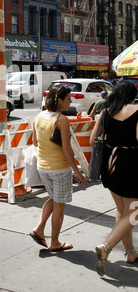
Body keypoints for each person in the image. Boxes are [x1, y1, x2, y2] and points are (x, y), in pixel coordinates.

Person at [30, 85, 87, 252]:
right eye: (69, 98)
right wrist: (77, 172)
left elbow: (35, 142)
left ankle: (39, 228)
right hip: (59, 169)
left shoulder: (38, 117)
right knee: (59, 205)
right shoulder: (61, 120)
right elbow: (66, 149)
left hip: (43, 167)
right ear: (60, 101)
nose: (71, 101)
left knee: (54, 198)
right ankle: (54, 242)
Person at [90, 81, 138, 277]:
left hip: (110, 164)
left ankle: (131, 253)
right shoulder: (136, 110)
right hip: (132, 165)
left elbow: (93, 139)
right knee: (134, 213)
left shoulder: (105, 111)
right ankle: (106, 247)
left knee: (122, 210)